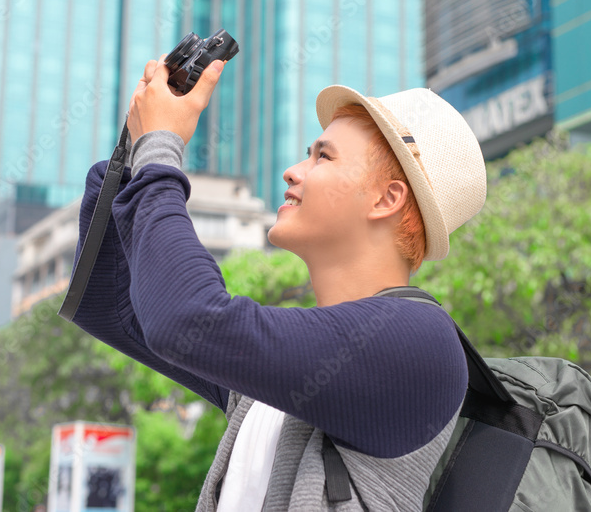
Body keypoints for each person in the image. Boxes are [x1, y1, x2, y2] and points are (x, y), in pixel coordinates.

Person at [67, 55, 488, 511]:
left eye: (322, 155)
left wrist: (161, 144)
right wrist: (134, 145)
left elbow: (184, 319)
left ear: (387, 199)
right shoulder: (298, 367)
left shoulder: (418, 341)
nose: (293, 170)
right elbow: (108, 302)